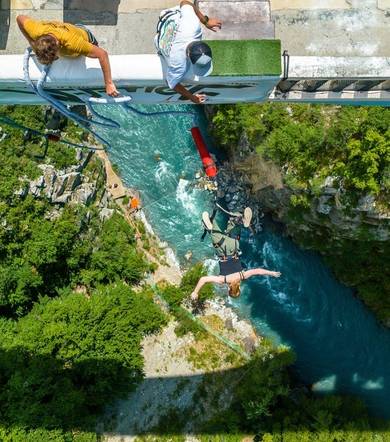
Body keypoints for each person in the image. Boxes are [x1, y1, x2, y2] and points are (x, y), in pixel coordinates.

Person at [190, 207, 281, 300]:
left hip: (234, 245)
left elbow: (257, 271)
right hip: (221, 248)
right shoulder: (223, 280)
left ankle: (241, 220)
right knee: (211, 227)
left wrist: (272, 273)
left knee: (234, 220)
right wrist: (195, 292)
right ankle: (210, 225)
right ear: (229, 289)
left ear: (239, 288)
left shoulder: (242, 276)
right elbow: (203, 279)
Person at [16, 15, 119, 97]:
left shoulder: (73, 43)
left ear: (58, 45)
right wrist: (30, 41)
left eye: (54, 58)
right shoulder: (36, 31)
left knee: (94, 49)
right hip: (67, 29)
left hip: (83, 34)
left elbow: (102, 54)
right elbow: (19, 18)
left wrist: (109, 83)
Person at [155, 1, 222, 104]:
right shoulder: (178, 64)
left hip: (166, 17)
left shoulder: (193, 26)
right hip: (159, 41)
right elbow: (172, 83)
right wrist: (192, 98)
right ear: (187, 56)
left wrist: (205, 21)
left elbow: (185, 2)